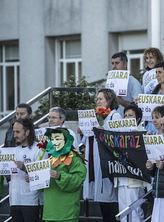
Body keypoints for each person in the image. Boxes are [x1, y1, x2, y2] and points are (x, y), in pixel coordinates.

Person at [82, 88, 122, 222]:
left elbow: (119, 139)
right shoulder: (95, 117)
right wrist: (82, 131)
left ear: (109, 100)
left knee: (109, 200)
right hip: (95, 159)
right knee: (102, 201)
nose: (97, 101)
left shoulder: (115, 116)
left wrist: (104, 131)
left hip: (107, 162)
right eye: (97, 99)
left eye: (101, 99)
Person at [42, 128, 87, 222]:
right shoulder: (49, 159)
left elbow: (79, 179)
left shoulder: (74, 158)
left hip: (67, 213)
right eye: (53, 139)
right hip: (50, 212)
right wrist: (34, 179)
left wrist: (60, 176)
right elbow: (42, 185)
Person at [10, 118, 45, 222]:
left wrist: (25, 168)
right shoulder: (13, 150)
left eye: (18, 132)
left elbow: (43, 175)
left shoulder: (39, 149)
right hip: (14, 200)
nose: (15, 135)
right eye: (14, 132)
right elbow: (9, 176)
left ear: (27, 132)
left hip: (31, 201)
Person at [111, 52, 143, 116]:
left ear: (125, 64)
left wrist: (120, 101)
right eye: (112, 63)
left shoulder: (134, 83)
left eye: (117, 63)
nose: (114, 66)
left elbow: (138, 107)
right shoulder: (111, 82)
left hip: (127, 121)